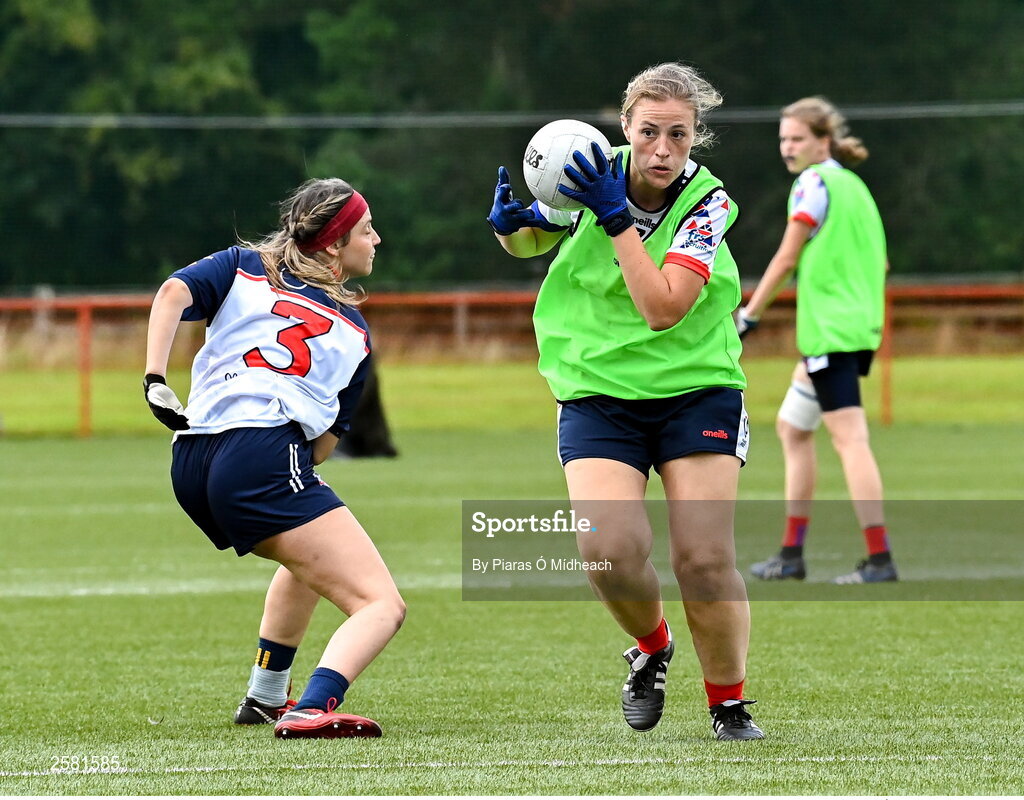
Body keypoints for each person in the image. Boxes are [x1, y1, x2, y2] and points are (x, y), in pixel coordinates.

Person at [487, 62, 764, 741]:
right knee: (608, 550)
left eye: (679, 135)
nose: (663, 150)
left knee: (703, 561)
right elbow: (533, 237)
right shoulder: (586, 167)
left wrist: (617, 221)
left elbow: (663, 308)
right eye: (649, 133)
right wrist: (510, 227)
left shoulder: (707, 205)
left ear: (695, 136)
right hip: (597, 390)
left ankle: (728, 704)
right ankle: (652, 646)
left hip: (696, 388)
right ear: (625, 127)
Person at [143, 178, 406, 739]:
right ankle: (313, 706)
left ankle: (265, 696)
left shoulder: (241, 267)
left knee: (307, 557)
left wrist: (154, 379)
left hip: (190, 457)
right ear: (334, 246)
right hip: (260, 452)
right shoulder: (355, 332)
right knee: (381, 604)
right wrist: (271, 462)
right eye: (366, 230)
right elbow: (323, 448)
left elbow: (171, 294)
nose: (377, 239)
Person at [736, 97, 896, 584]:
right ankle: (791, 554)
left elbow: (787, 257)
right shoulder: (856, 187)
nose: (788, 148)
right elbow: (882, 263)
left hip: (832, 334)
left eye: (797, 139)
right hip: (854, 328)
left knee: (851, 440)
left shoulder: (813, 184)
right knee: (793, 428)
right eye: (783, 139)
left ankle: (880, 560)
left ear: (823, 141)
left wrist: (749, 314)